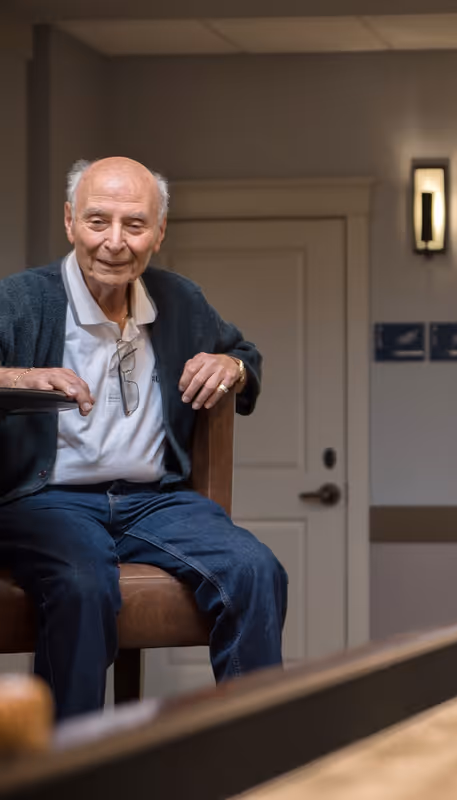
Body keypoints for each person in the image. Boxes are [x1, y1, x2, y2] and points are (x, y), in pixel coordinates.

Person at [0, 157, 287, 719]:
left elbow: (244, 355)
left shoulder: (179, 299)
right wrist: (19, 377)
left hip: (156, 502)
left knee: (255, 569)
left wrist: (232, 366)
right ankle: (69, 769)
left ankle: (255, 755)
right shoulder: (20, 300)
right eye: (97, 221)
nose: (114, 242)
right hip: (46, 500)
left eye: (134, 225)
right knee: (82, 583)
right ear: (69, 223)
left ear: (158, 233)